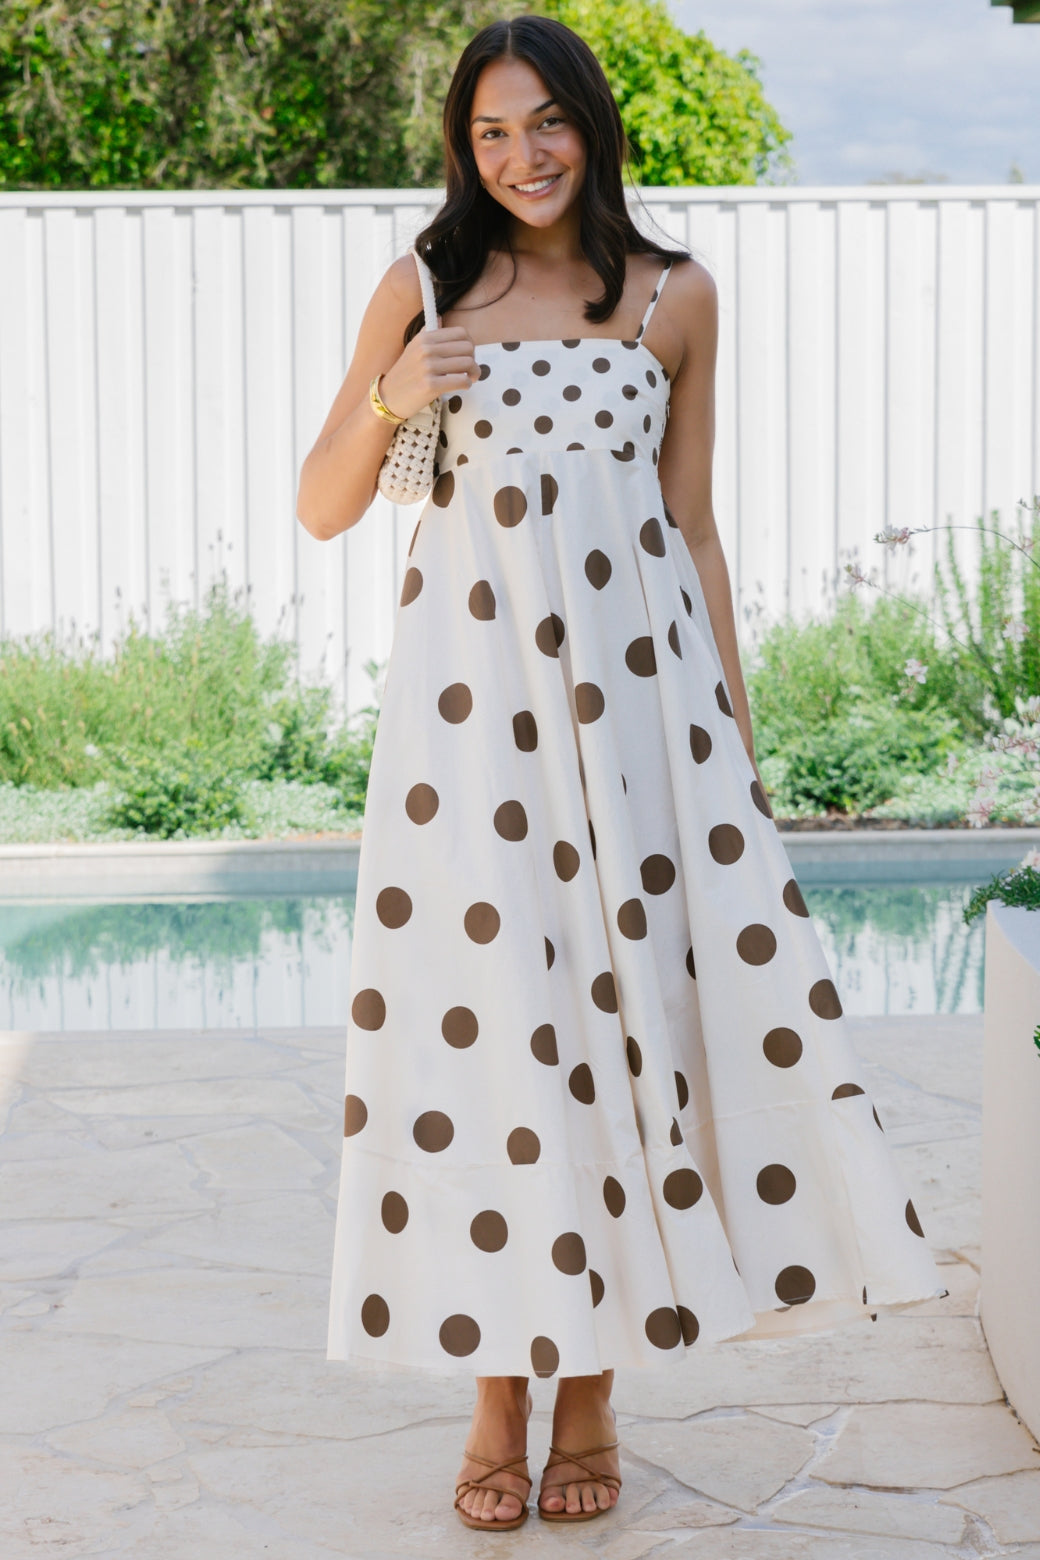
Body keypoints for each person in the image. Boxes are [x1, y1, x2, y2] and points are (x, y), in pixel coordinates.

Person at [296, 12, 948, 1534]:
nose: (520, 155)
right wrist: (396, 393)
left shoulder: (674, 295)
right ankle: (496, 1391)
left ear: (592, 123)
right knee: (494, 1053)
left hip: (643, 733)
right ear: (462, 149)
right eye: (489, 132)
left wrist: (735, 746)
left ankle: (591, 1386)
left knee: (629, 1037)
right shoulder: (423, 285)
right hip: (469, 742)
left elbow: (692, 527)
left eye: (545, 122)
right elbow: (324, 504)